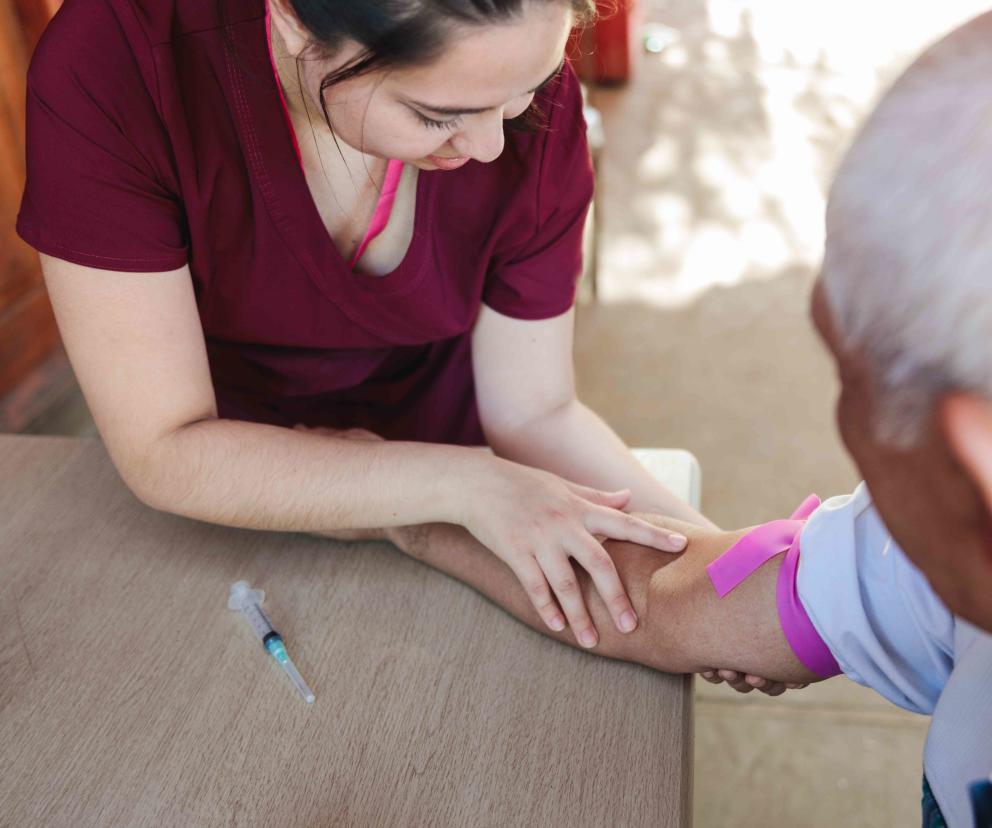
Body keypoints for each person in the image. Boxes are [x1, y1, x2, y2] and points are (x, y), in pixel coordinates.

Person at [328, 1, 992, 823]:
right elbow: (666, 602)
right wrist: (414, 511)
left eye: (846, 371)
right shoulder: (952, 562)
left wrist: (406, 506)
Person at [17, 0, 714, 654]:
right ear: (292, 17)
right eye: (438, 115)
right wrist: (455, 487)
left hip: (466, 476)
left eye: (522, 96)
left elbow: (536, 410)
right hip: (234, 508)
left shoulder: (512, 68)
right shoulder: (118, 65)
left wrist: (713, 554)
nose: (492, 146)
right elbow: (166, 449)